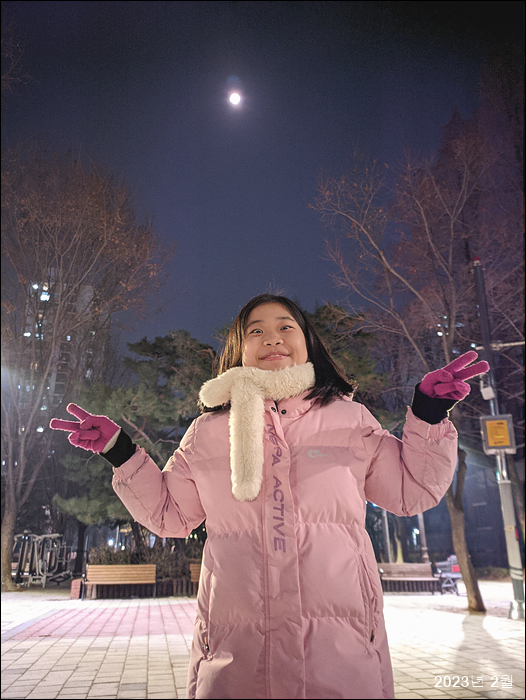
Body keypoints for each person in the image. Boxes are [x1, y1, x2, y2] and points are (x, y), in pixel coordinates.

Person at [50, 294, 489, 700]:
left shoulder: (351, 419)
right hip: (235, 653)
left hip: (343, 652)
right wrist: (120, 452)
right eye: (255, 330)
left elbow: (412, 491)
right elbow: (170, 516)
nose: (272, 338)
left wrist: (429, 415)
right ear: (238, 350)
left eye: (285, 327)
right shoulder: (208, 432)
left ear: (307, 343)